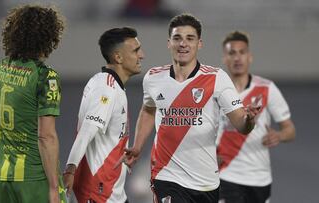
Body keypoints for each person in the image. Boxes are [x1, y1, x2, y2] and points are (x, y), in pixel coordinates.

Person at [121, 13, 261, 203]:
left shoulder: (216, 78)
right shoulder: (154, 78)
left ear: (199, 44)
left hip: (206, 182)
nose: (183, 44)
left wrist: (249, 120)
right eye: (177, 38)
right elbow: (148, 110)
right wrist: (137, 146)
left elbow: (241, 125)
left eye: (190, 38)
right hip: (166, 176)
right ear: (169, 43)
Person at [0, 5, 66, 203]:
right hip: (35, 178)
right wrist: (53, 187)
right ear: (49, 37)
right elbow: (46, 136)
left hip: (4, 177)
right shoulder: (44, 76)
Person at [63, 27, 145, 203]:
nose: (142, 55)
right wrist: (70, 170)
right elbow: (87, 132)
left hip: (112, 192)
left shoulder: (108, 83)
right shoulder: (106, 89)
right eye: (136, 50)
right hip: (97, 192)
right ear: (118, 57)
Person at [216, 31, 296, 203]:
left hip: (259, 177)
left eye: (242, 52)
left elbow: (290, 130)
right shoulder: (217, 91)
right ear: (225, 59)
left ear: (250, 57)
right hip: (225, 173)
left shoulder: (267, 88)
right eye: (232, 53)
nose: (237, 58)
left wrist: (279, 135)